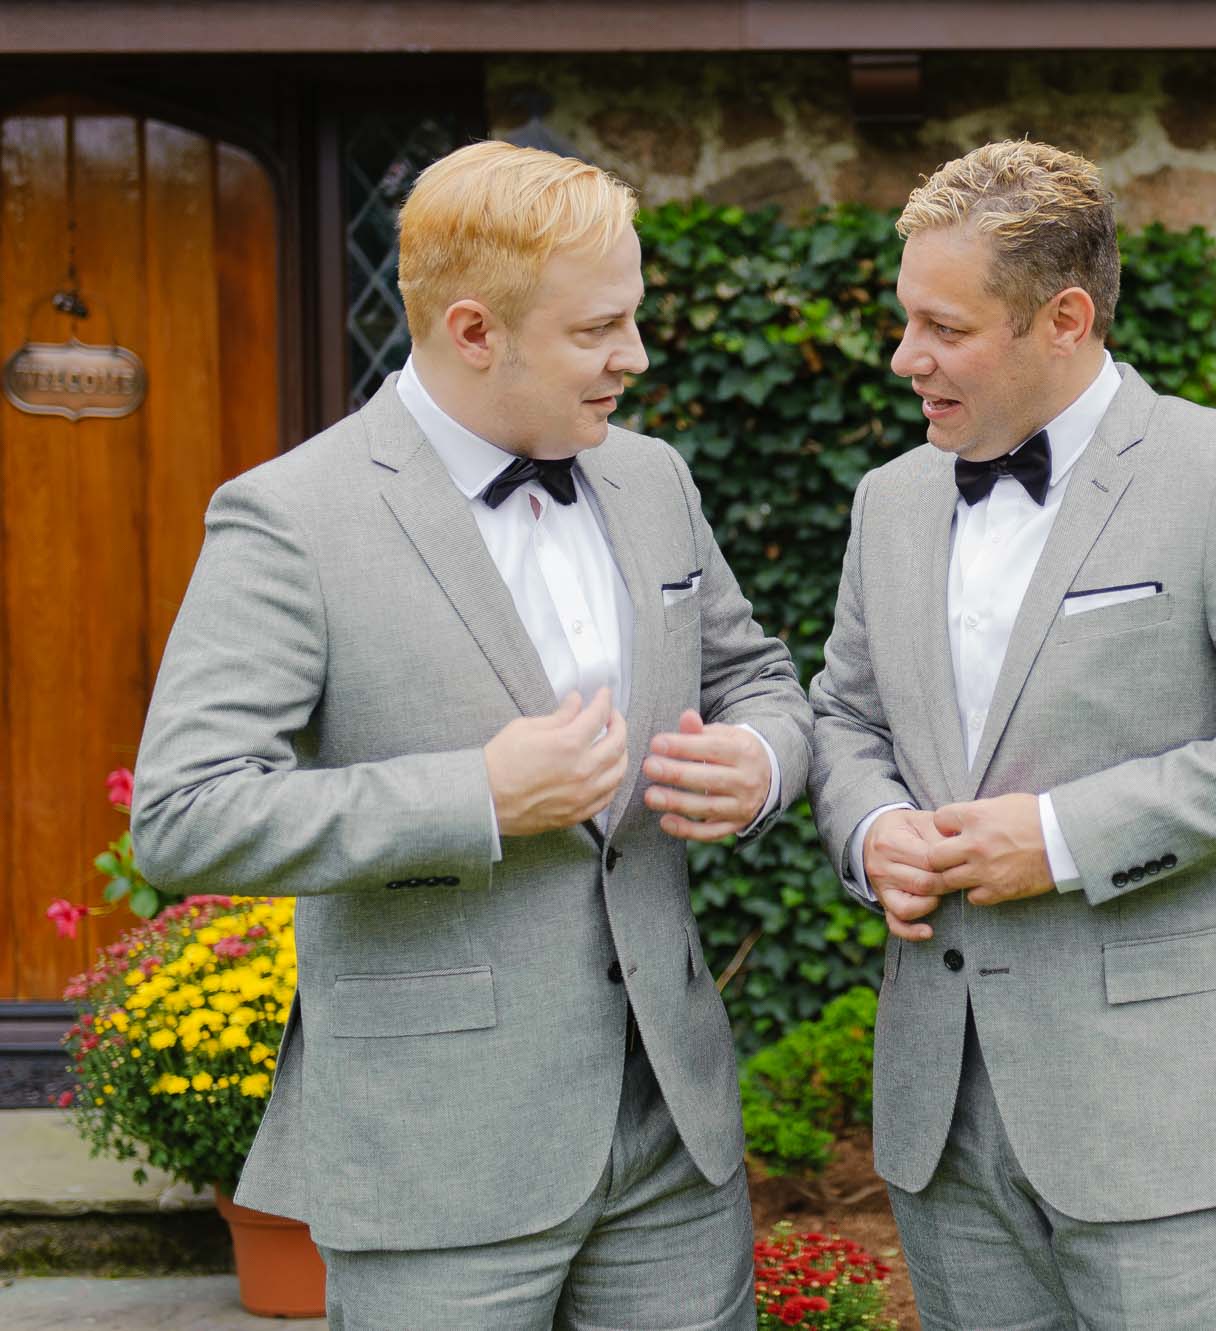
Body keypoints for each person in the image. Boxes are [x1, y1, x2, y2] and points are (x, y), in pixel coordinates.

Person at [131, 140, 810, 1330]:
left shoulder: (652, 480)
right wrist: (478, 798)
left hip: (672, 1135)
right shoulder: (292, 518)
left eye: (633, 318)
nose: (634, 358)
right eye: (598, 330)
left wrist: (756, 761)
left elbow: (757, 675)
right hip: (436, 1146)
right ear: (473, 330)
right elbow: (185, 816)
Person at [808, 140, 1216, 1329]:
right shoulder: (892, 499)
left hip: (1164, 1114)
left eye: (942, 328)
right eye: (904, 322)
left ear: (1063, 317)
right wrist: (869, 829)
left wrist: (1065, 835)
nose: (903, 358)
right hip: (943, 1112)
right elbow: (845, 715)